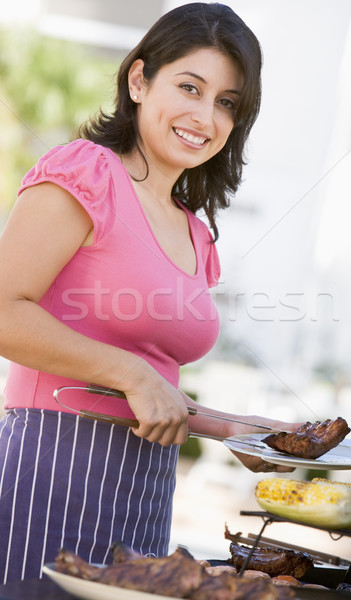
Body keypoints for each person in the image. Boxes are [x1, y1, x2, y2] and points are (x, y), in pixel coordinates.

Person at [0, 2, 302, 584]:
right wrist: (133, 376)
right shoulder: (86, 173)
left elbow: (155, 379)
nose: (204, 115)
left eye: (226, 103)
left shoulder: (193, 228)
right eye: (189, 87)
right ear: (139, 80)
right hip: (53, 469)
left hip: (146, 491)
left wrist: (229, 426)